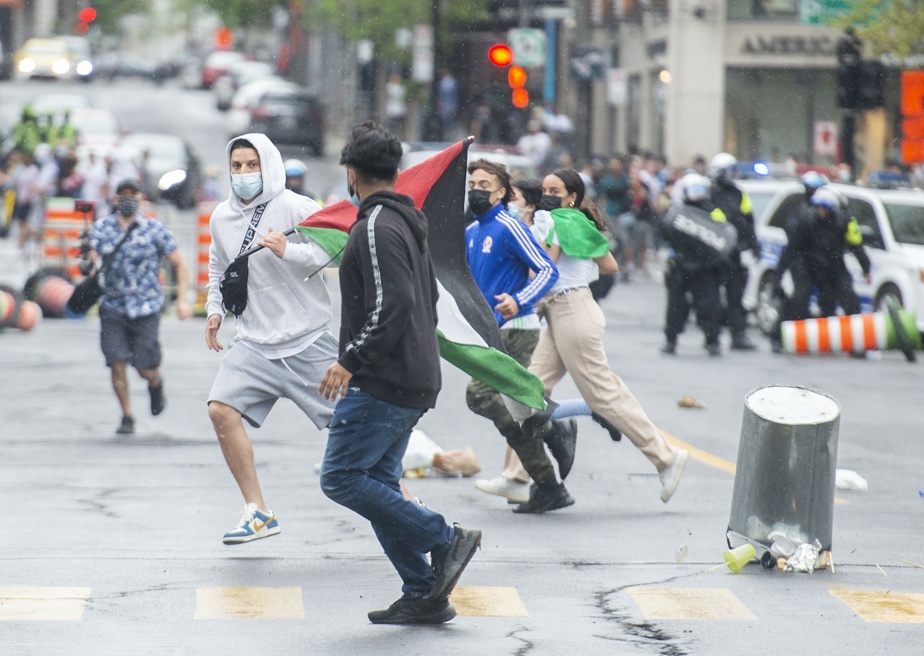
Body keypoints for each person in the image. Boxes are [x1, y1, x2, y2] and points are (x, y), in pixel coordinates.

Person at [319, 121, 481, 625]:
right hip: (410, 375)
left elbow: (394, 305)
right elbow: (423, 299)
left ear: (351, 173)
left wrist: (349, 360)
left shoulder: (374, 227)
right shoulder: (406, 221)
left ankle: (444, 538)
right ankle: (423, 591)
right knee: (379, 485)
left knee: (342, 478)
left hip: (384, 379)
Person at [205, 134, 337, 545]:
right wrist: (214, 311)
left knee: (358, 425)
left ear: (269, 165)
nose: (243, 174)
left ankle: (405, 500)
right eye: (237, 166)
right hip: (254, 343)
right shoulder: (220, 217)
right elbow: (218, 266)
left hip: (307, 341)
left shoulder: (297, 207)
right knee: (220, 410)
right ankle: (257, 511)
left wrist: (288, 251)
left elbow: (333, 250)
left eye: (251, 165)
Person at [474, 177, 622, 504]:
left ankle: (541, 464)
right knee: (521, 397)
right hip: (527, 317)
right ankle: (528, 475)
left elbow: (546, 271)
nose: (509, 202)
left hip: (533, 318)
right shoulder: (503, 227)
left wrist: (519, 297)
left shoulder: (539, 227)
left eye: (513, 197)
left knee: (503, 396)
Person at [464, 158, 579, 514]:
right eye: (473, 185)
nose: (477, 192)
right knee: (513, 412)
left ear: (501, 194)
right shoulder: (471, 232)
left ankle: (551, 430)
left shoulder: (508, 226)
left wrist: (518, 299)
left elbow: (546, 270)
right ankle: (547, 482)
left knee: (480, 396)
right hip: (489, 332)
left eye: (485, 186)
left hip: (516, 330)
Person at [89, 178, 192, 434]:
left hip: (145, 307)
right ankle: (127, 415)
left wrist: (183, 299)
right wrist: (88, 261)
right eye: (122, 194)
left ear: (141, 198)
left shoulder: (154, 230)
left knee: (146, 368)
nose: (127, 199)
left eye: (132, 194)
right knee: (116, 361)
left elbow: (179, 263)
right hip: (113, 305)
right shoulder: (102, 228)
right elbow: (90, 258)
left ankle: (155, 383)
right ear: (115, 199)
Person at [771, 186, 871, 350]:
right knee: (799, 301)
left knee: (849, 299)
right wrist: (779, 275)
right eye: (819, 207)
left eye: (825, 208)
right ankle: (780, 338)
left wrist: (866, 269)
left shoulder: (845, 222)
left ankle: (855, 341)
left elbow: (857, 246)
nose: (821, 211)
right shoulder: (804, 222)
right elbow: (790, 250)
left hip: (834, 265)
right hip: (808, 265)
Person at [661, 173, 732, 357]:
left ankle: (712, 341)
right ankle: (671, 340)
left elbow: (723, 236)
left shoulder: (714, 213)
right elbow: (666, 234)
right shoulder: (678, 213)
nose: (697, 194)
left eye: (700, 190)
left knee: (709, 305)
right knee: (676, 306)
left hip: (705, 268)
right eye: (693, 190)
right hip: (681, 266)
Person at [708, 153, 760, 350]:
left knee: (736, 295)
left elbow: (748, 220)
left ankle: (739, 335)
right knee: (711, 297)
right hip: (713, 253)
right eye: (730, 171)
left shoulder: (739, 193)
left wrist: (754, 244)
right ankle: (712, 337)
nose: (734, 175)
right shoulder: (708, 192)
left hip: (734, 252)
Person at [384, 71, 408, 139]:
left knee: (398, 126)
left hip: (399, 110)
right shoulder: (390, 86)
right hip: (392, 110)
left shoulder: (401, 88)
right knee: (392, 126)